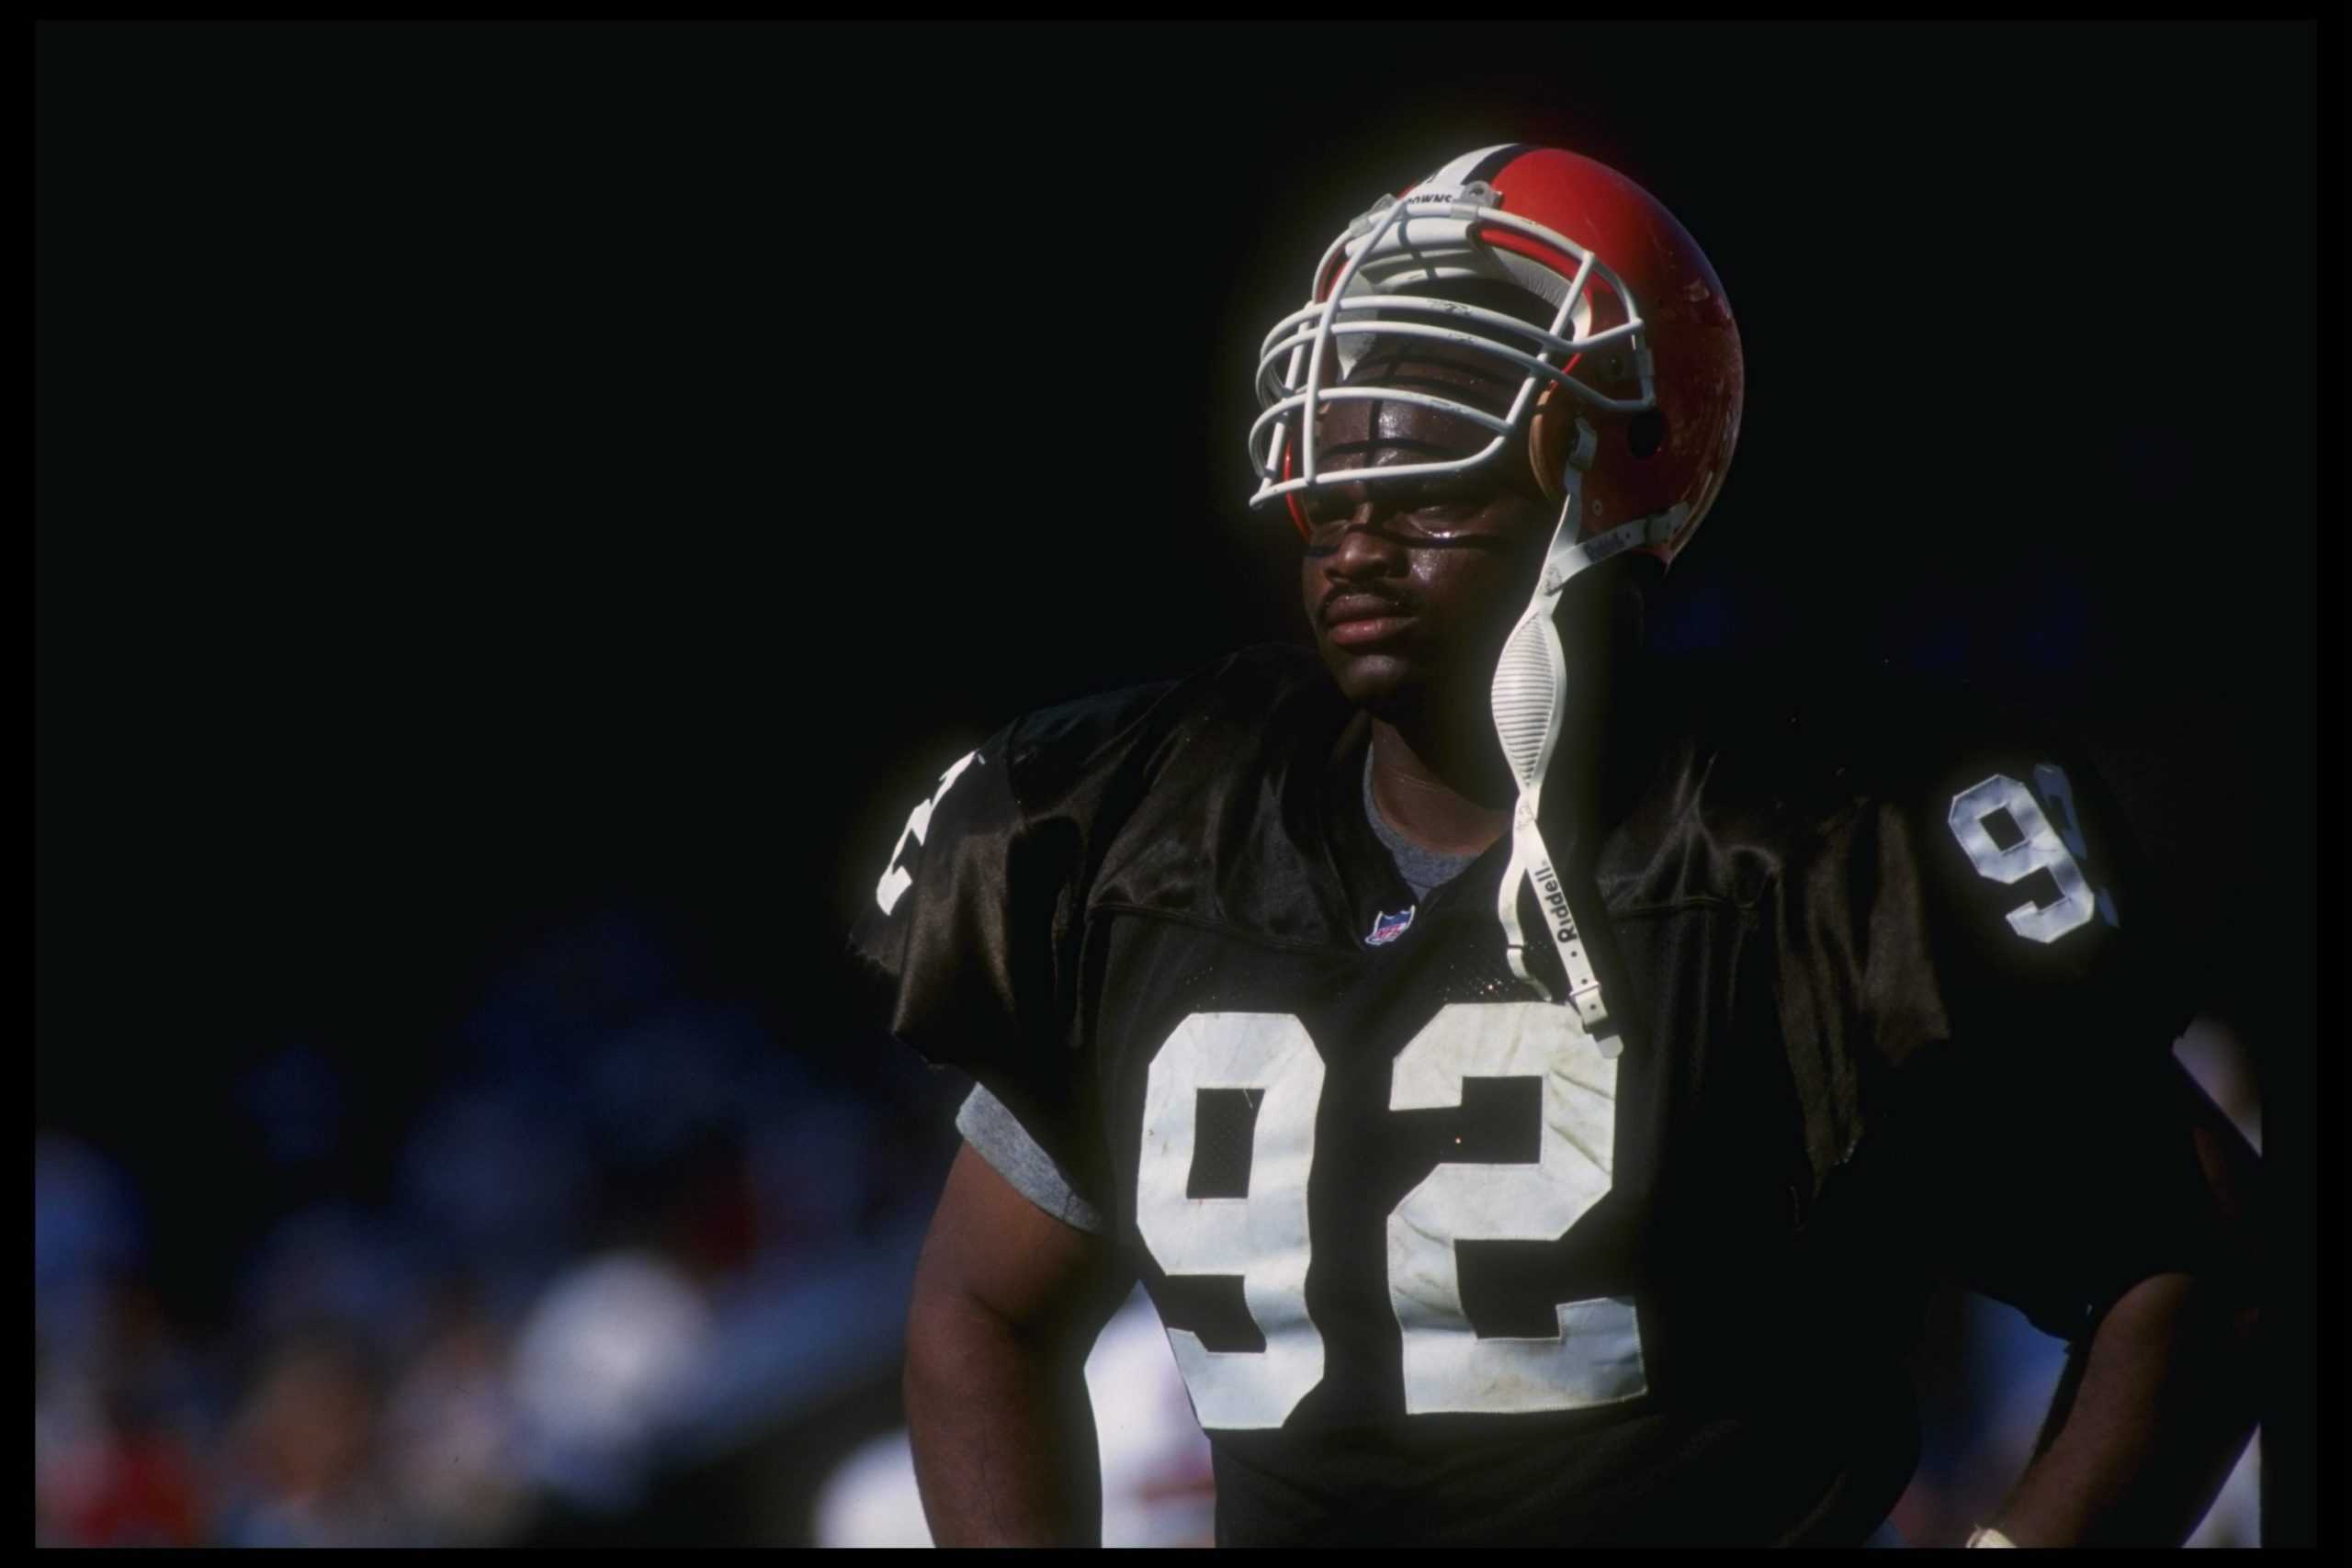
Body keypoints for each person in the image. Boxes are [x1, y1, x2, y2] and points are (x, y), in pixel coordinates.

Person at [850, 145, 2260, 1547]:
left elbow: (2202, 1276)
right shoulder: (1151, 836)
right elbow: (981, 1308)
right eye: (1337, 460)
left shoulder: (1808, 853)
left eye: (1431, 458)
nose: (1356, 523)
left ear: (1611, 467)